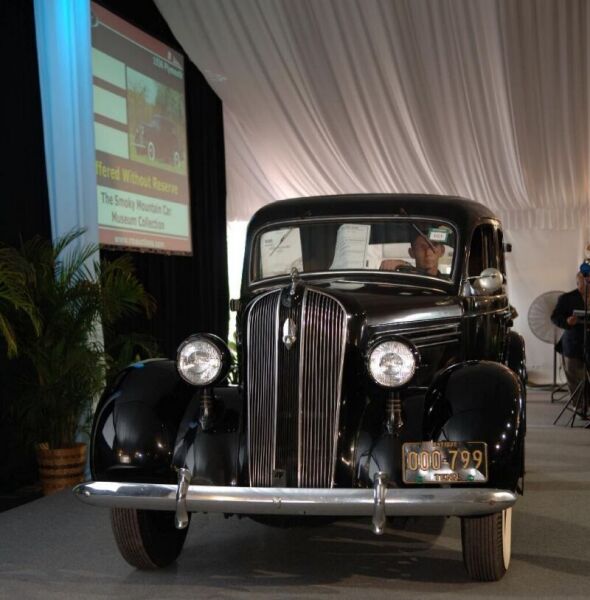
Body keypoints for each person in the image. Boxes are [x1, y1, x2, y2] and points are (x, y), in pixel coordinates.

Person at [551, 270, 590, 405]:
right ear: (577, 283)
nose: (587, 285)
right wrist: (567, 321)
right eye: (583, 282)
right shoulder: (567, 298)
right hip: (573, 342)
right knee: (574, 376)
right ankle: (579, 406)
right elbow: (555, 317)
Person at [380, 229, 447, 277]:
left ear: (442, 251)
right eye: (422, 247)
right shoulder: (404, 281)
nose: (428, 252)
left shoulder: (449, 285)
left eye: (433, 246)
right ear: (411, 252)